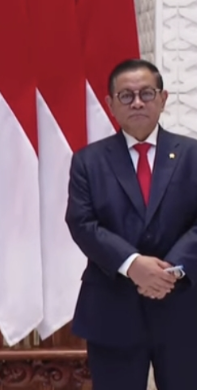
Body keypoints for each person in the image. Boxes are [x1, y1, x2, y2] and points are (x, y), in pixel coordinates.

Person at [66, 58, 197, 389]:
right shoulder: (88, 161)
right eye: (126, 96)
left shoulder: (193, 155)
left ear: (163, 99)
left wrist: (171, 270)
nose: (137, 102)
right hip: (112, 309)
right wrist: (132, 264)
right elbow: (81, 222)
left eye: (146, 93)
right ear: (110, 105)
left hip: (183, 308)